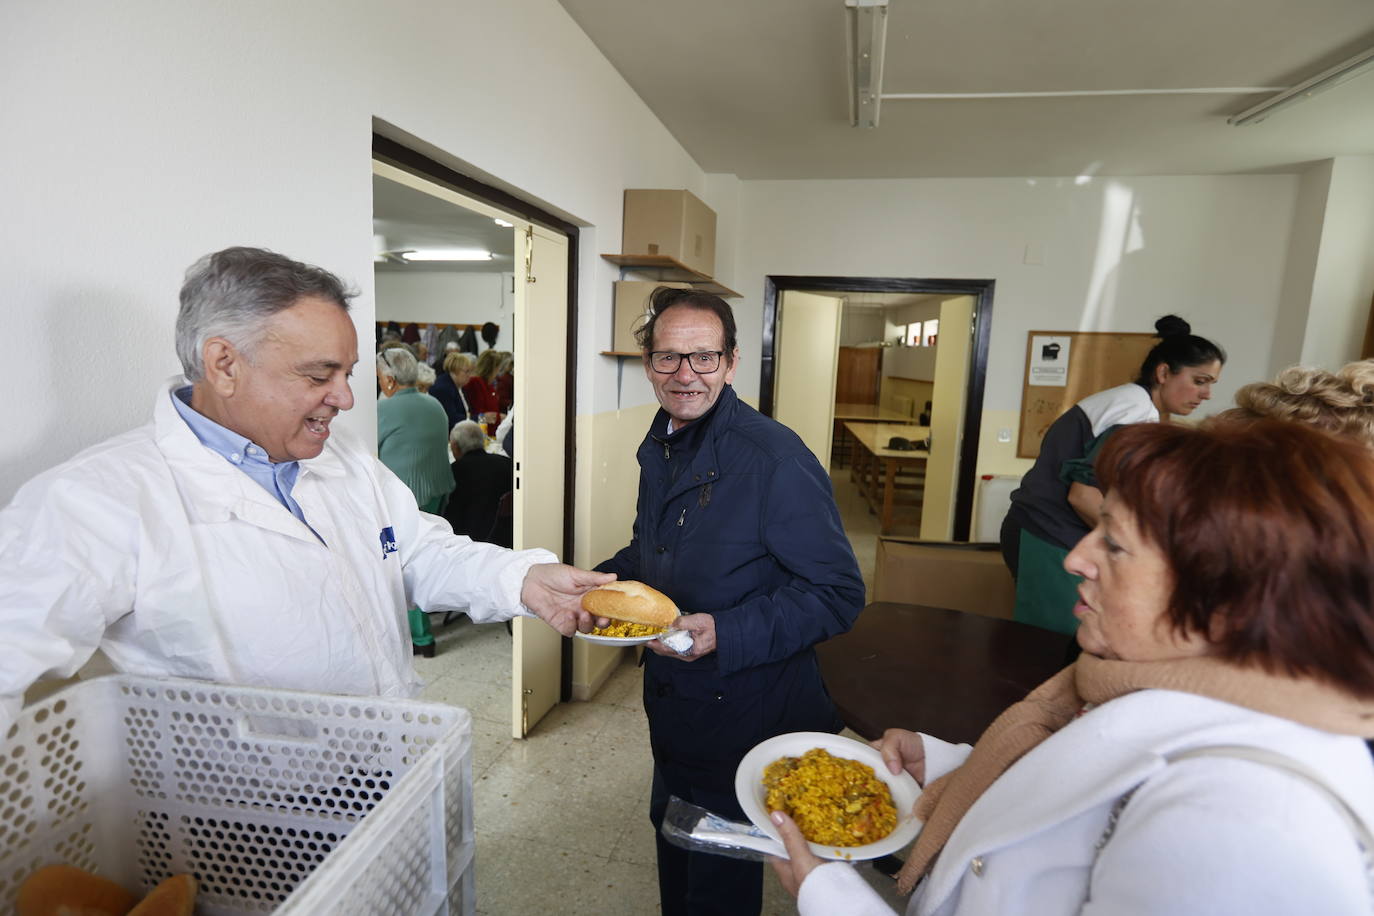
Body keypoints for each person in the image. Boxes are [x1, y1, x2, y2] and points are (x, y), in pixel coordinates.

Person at [772, 419, 1374, 916]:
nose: (1076, 559)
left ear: (1230, 597)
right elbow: (1082, 803)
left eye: (1113, 543)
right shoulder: (1134, 685)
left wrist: (833, 898)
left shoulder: (1253, 827)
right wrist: (953, 761)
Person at [0, 246, 612, 730]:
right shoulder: (94, 499)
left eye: (348, 373)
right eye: (320, 375)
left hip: (392, 762)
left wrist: (522, 580)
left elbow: (414, 550)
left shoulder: (339, 458)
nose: (346, 398)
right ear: (223, 364)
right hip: (246, 820)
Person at [595, 286, 865, 916]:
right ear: (648, 363)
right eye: (668, 358)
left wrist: (726, 631)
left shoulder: (773, 458)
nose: (685, 375)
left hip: (746, 709)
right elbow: (653, 550)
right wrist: (596, 584)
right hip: (677, 704)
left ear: (732, 362)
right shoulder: (662, 442)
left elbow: (839, 592)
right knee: (675, 841)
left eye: (703, 358)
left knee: (718, 884)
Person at [999, 315, 1224, 634]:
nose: (1206, 395)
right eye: (1200, 381)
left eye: (1211, 384)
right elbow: (1083, 495)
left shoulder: (1130, 403)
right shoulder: (1132, 415)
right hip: (1048, 535)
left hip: (1040, 529)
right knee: (1047, 645)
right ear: (1163, 372)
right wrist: (1135, 546)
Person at [377, 346, 457, 657]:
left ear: (390, 380)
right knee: (420, 559)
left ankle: (420, 636)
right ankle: (421, 631)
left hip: (403, 500)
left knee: (399, 566)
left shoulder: (383, 410)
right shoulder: (434, 403)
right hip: (436, 493)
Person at [443, 420, 514, 545]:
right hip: (507, 538)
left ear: (455, 446)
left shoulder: (454, 472)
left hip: (468, 542)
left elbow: (451, 516)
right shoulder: (507, 464)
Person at [430, 350, 477, 431]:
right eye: (467, 371)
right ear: (455, 371)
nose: (470, 375)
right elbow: (452, 419)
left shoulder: (458, 387)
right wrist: (477, 418)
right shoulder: (444, 389)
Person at [463, 348, 503, 428]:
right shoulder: (475, 383)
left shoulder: (489, 386)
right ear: (493, 368)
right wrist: (499, 417)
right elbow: (479, 412)